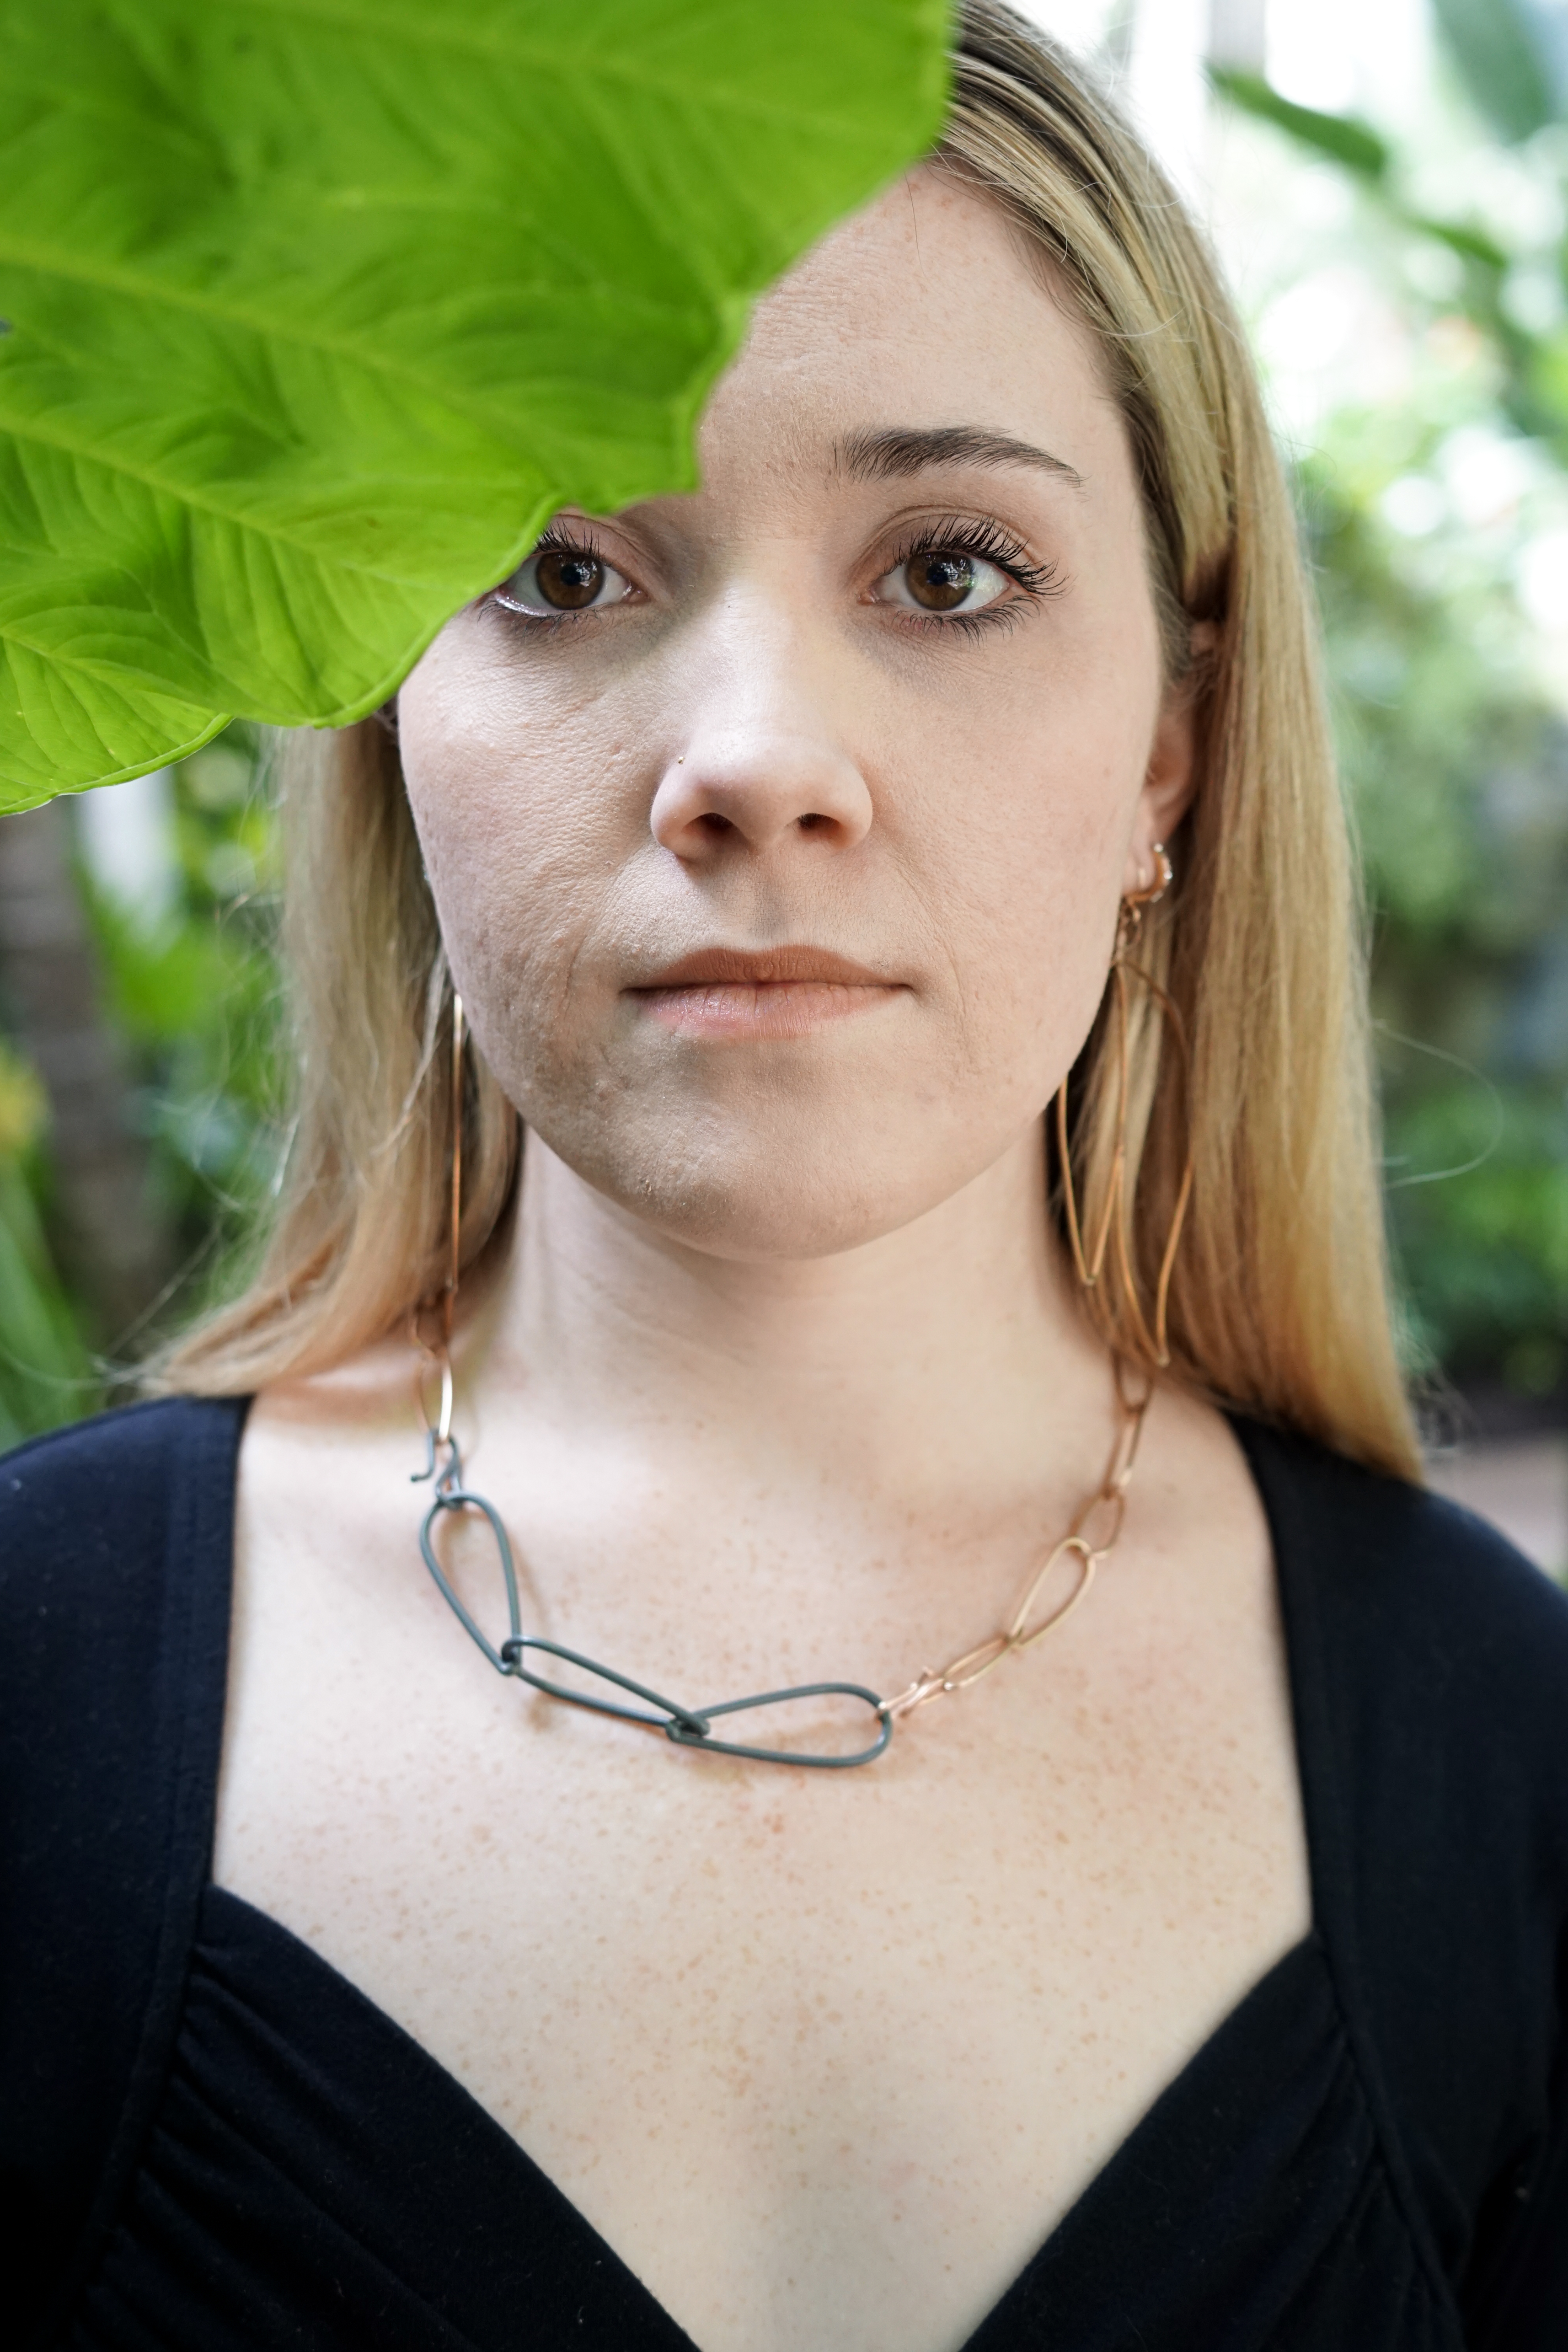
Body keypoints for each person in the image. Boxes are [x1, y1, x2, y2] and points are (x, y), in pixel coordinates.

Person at [4, 5, 1565, 2347]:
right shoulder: (31, 1683)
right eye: (557, 569)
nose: (753, 763)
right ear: (390, 728)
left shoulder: (1506, 1757)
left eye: (946, 571)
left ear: (1171, 749)